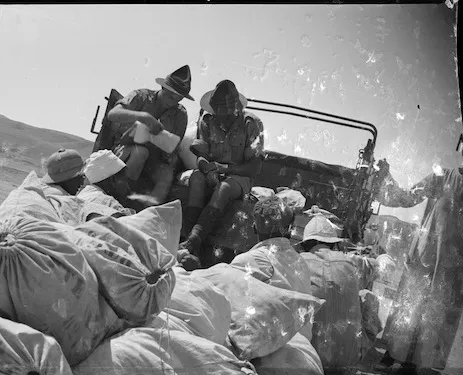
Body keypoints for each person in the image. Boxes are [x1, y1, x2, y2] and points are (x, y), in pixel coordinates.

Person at [375, 156, 463, 375]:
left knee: (435, 311)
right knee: (410, 302)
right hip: (425, 256)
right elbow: (407, 197)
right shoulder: (441, 176)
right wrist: (384, 176)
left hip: (452, 266)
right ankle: (393, 353)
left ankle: (413, 363)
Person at [178, 80, 265, 270]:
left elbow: (254, 167)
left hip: (239, 177)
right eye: (218, 109)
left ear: (236, 107)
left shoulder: (251, 123)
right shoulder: (207, 121)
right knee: (196, 179)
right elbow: (201, 156)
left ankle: (193, 242)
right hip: (213, 171)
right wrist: (207, 169)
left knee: (224, 188)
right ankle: (188, 244)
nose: (222, 114)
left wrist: (225, 169)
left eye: (227, 109)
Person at [299, 215, 378, 375]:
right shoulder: (351, 263)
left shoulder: (299, 262)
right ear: (333, 243)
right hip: (346, 367)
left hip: (307, 361)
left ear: (306, 243)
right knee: (366, 297)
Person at [105, 65, 192, 204]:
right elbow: (113, 114)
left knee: (167, 174)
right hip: (125, 152)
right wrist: (143, 117)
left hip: (155, 160)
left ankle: (149, 212)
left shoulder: (180, 114)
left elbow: (174, 143)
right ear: (163, 87)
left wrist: (169, 151)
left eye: (179, 96)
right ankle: (122, 200)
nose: (174, 98)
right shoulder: (142, 96)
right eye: (171, 93)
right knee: (141, 153)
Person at [230, 196, 314, 339]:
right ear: (290, 230)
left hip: (272, 348)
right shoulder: (301, 262)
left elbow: (224, 303)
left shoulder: (249, 261)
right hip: (305, 344)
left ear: (254, 227)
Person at [77, 149, 135, 217]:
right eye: (125, 180)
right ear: (113, 179)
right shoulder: (109, 204)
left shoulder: (84, 193)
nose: (127, 186)